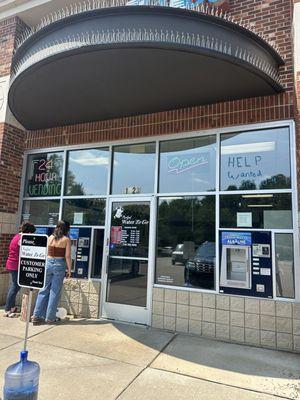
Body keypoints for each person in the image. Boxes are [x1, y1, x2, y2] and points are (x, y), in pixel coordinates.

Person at [32, 220, 71, 325]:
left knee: (43, 290)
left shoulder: (49, 237)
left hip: (48, 263)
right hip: (59, 264)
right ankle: (50, 318)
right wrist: (69, 269)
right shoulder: (66, 239)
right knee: (54, 292)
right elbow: (67, 256)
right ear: (66, 228)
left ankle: (36, 316)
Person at [4, 221, 36, 317]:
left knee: (15, 286)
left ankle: (12, 307)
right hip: (15, 265)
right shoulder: (22, 239)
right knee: (15, 287)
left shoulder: (17, 236)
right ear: (29, 232)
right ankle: (7, 309)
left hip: (12, 264)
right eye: (32, 233)